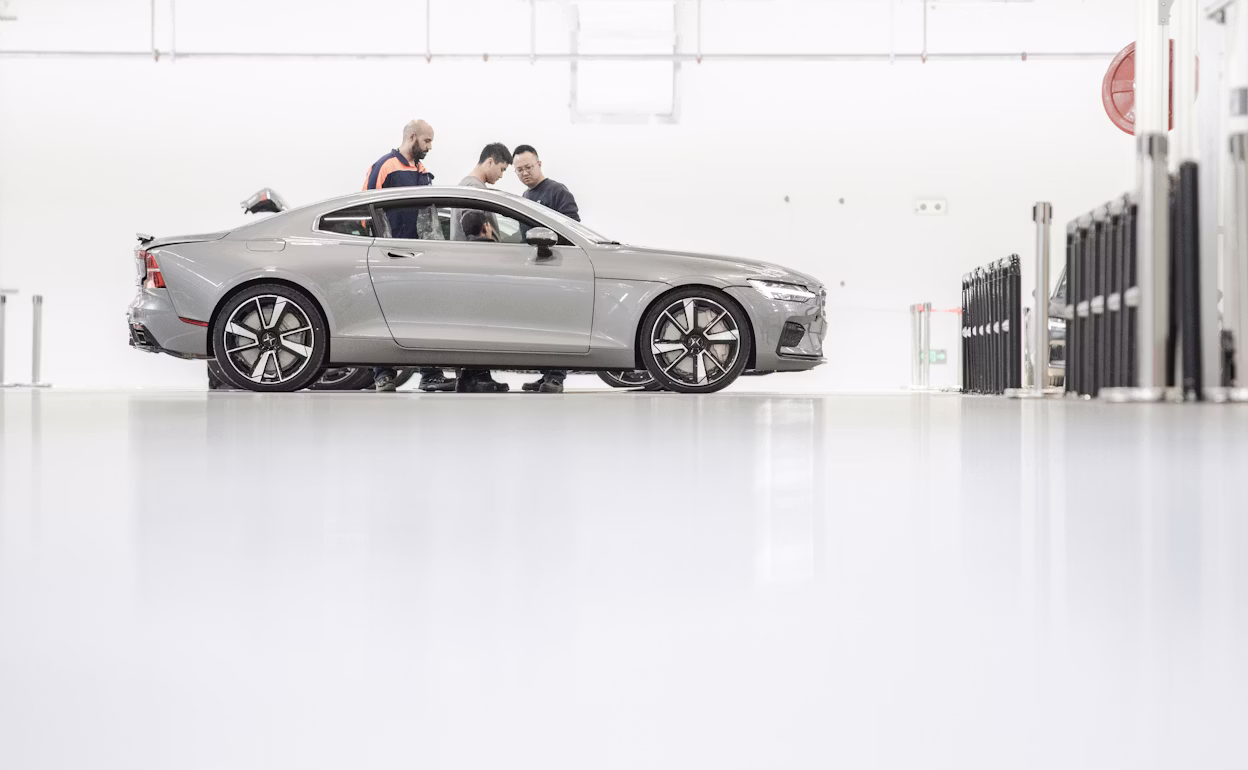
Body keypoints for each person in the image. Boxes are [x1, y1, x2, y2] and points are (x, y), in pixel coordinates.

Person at [363, 120, 454, 393]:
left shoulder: (422, 172)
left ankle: (430, 374)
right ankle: (383, 375)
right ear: (412, 137)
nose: (430, 147)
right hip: (388, 257)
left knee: (424, 316)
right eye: (427, 141)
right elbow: (365, 208)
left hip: (420, 259)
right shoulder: (384, 166)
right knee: (385, 316)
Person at [513, 144, 578, 393]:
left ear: (539, 164)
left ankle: (556, 377)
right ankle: (546, 374)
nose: (524, 173)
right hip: (536, 270)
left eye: (528, 167)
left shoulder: (557, 191)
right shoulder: (525, 197)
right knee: (541, 324)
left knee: (558, 322)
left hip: (558, 267)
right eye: (519, 170)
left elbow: (573, 228)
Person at [453, 210, 510, 394]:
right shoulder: (491, 251)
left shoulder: (460, 253)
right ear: (486, 228)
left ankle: (465, 377)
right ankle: (481, 376)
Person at [450, 143, 512, 241]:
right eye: (502, 169)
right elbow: (475, 234)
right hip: (479, 251)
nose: (501, 175)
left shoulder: (468, 185)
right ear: (490, 162)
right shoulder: (474, 188)